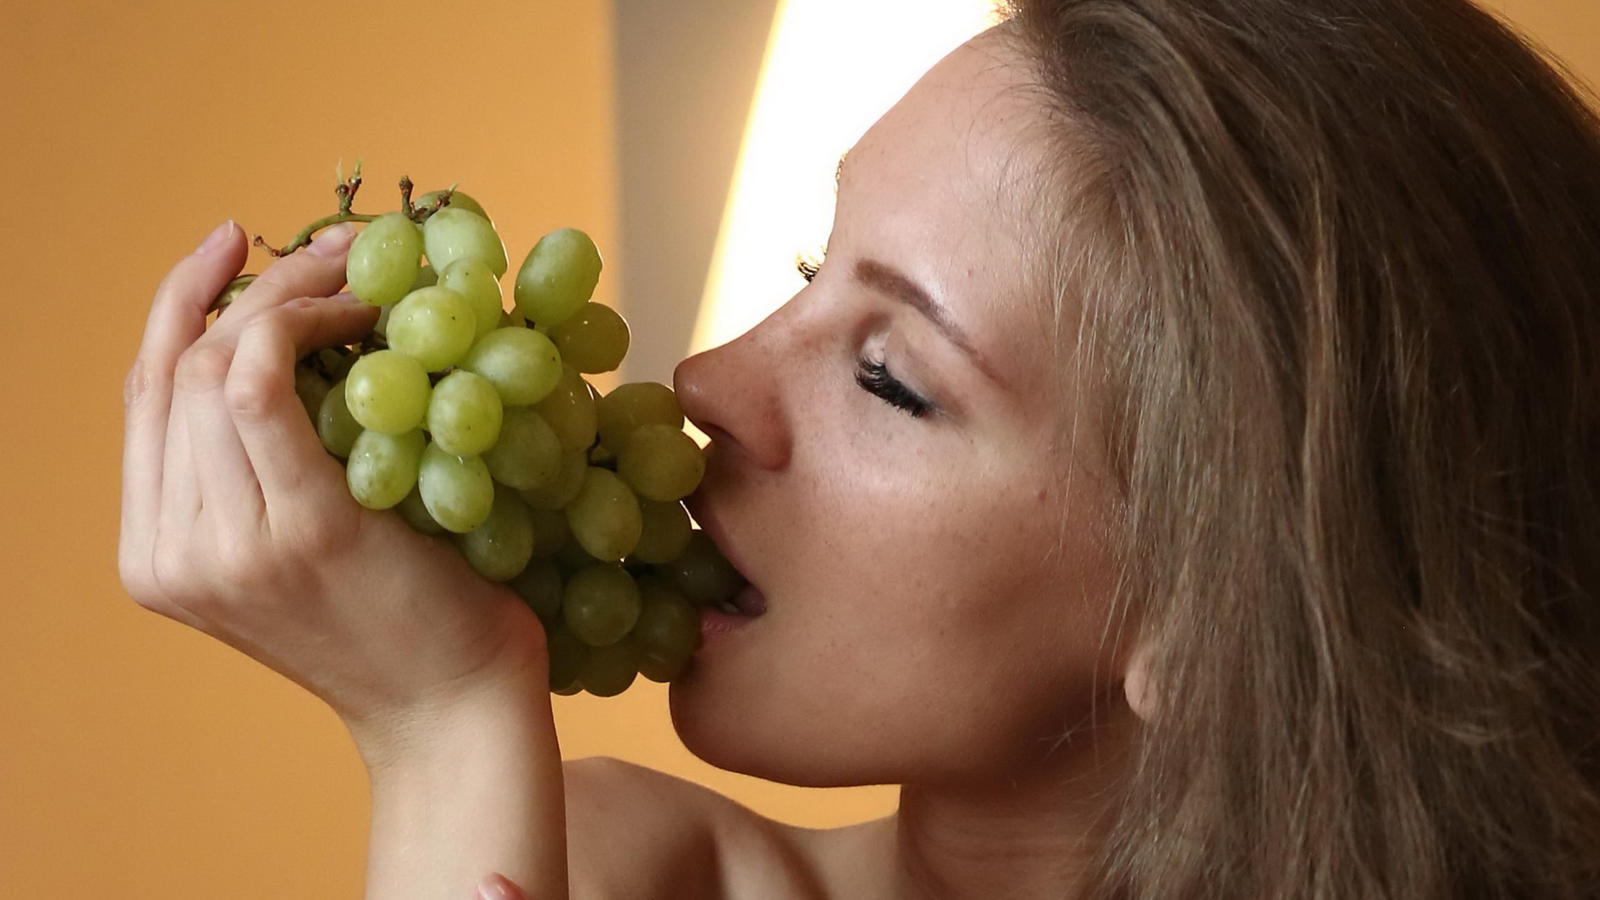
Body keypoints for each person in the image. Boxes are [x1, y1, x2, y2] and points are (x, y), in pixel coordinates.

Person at [119, 0, 1600, 896]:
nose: (704, 382)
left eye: (889, 378)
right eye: (805, 267)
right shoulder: (618, 872)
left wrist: (444, 727)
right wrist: (446, 727)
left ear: (1217, 608)